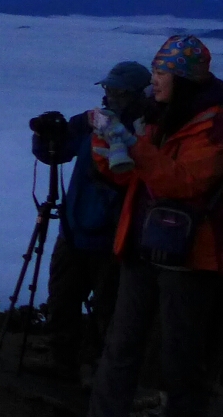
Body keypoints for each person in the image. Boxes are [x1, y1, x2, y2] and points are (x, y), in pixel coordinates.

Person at [60, 35, 223, 417]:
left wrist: (131, 143)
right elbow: (123, 176)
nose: (154, 81)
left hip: (190, 257)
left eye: (160, 73)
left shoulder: (217, 126)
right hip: (142, 246)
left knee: (182, 357)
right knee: (120, 348)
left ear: (181, 77)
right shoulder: (157, 119)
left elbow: (180, 182)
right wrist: (109, 144)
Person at [31, 61, 151, 380]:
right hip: (76, 229)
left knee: (108, 309)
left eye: (118, 91)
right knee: (62, 300)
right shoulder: (91, 122)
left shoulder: (147, 131)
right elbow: (54, 153)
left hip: (114, 234)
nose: (110, 96)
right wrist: (45, 136)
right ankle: (64, 362)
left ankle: (98, 370)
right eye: (108, 89)